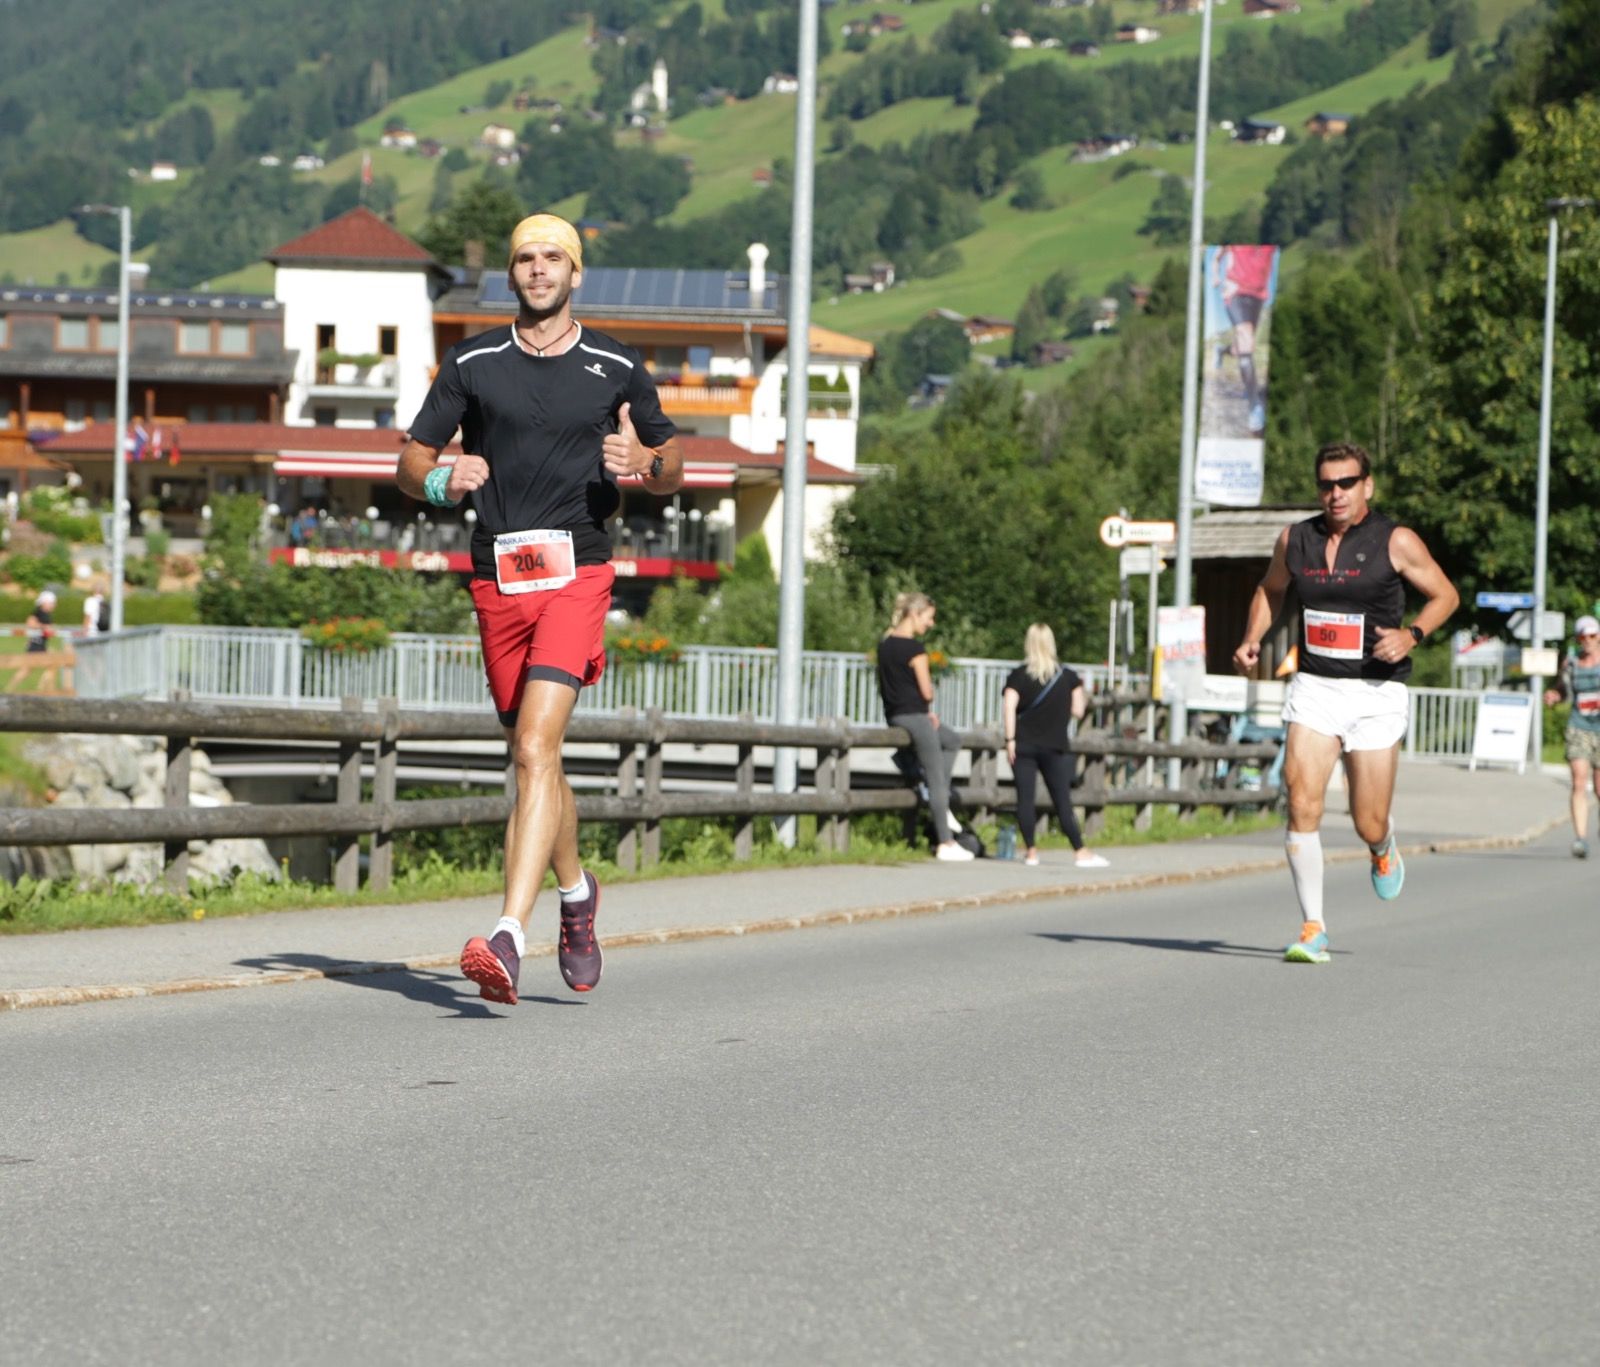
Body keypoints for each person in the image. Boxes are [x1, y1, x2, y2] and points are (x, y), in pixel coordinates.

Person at [396, 212, 683, 1006]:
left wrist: (645, 461)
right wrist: (439, 480)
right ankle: (577, 892)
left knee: (531, 747)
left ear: (575, 272)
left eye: (553, 256)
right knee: (537, 759)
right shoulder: (474, 361)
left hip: (577, 572)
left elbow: (673, 462)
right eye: (526, 257)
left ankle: (506, 935)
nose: (538, 268)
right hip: (498, 579)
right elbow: (410, 460)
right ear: (513, 273)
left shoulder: (615, 364)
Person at [1232, 442, 1459, 964]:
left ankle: (1382, 847)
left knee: (1366, 820)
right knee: (1301, 801)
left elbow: (1446, 595)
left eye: (1347, 483)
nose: (1336, 493)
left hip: (1377, 692)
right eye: (1327, 484)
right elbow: (1270, 590)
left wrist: (1412, 635)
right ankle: (1313, 927)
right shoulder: (1296, 539)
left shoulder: (1396, 540)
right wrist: (1252, 637)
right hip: (1316, 687)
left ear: (1366, 486)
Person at [1002, 623, 1108, 869]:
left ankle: (1031, 852)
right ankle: (1080, 851)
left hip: (1023, 744)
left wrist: (1010, 740)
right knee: (1062, 800)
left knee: (1025, 799)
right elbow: (1078, 710)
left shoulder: (1018, 675)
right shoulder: (1067, 676)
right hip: (1055, 745)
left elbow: (1009, 707)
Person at [877, 591, 971, 862]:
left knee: (951, 739)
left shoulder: (885, 645)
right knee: (936, 777)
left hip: (896, 715)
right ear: (914, 614)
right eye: (928, 618)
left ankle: (932, 790)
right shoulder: (915, 650)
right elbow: (926, 691)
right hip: (916, 717)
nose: (930, 624)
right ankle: (945, 842)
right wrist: (927, 708)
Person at [1543, 615, 1600, 859]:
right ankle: (1580, 839)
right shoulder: (1572, 664)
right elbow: (1563, 689)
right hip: (1579, 727)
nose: (1587, 640)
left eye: (1592, 635)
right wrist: (1555, 695)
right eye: (1583, 636)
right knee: (1579, 780)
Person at [1211, 244, 1276, 434]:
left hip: (1258, 294)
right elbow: (1217, 255)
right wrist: (1215, 275)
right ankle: (1255, 406)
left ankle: (1222, 350)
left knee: (1242, 347)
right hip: (1235, 291)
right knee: (1246, 343)